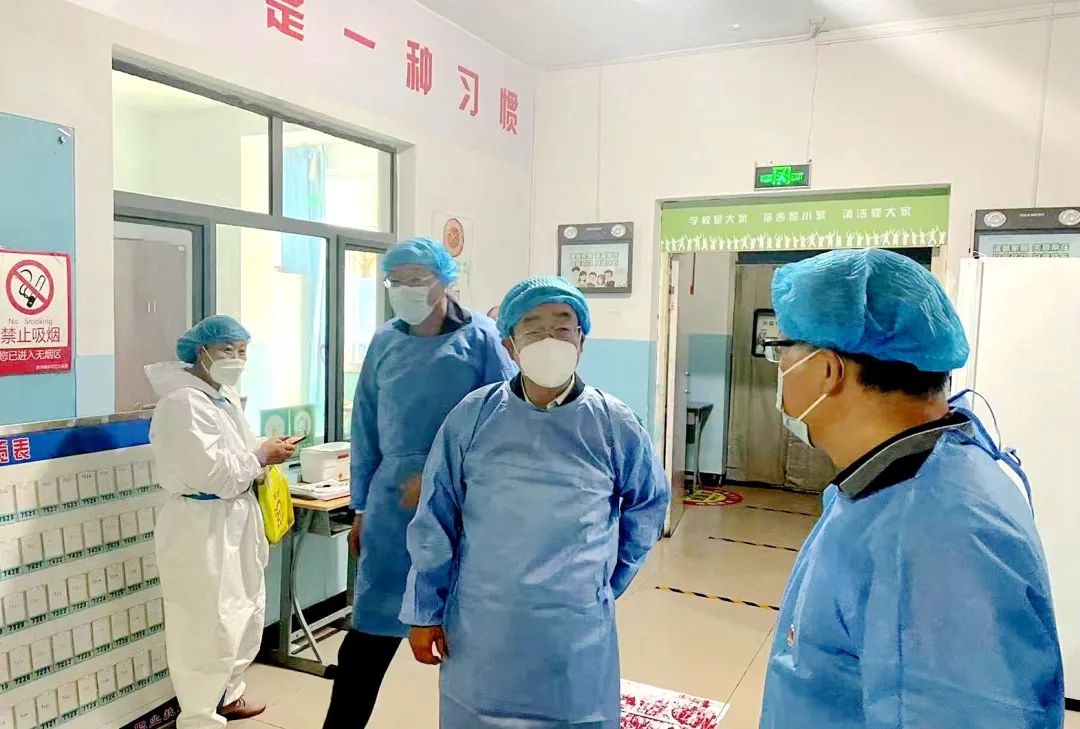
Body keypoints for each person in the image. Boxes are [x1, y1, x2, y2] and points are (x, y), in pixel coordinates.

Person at [759, 249, 1064, 729]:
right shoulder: (896, 482)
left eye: (783, 350)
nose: (779, 369)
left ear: (827, 370)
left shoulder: (939, 537)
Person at [401, 276, 670, 729]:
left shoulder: (613, 423)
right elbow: (436, 517)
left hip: (574, 630)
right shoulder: (474, 416)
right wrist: (424, 610)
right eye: (534, 328)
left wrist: (604, 582)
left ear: (581, 340)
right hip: (484, 627)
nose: (551, 340)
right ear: (510, 344)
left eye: (563, 327)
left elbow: (647, 504)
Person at [323, 237, 516, 729]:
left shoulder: (482, 338)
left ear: (445, 280)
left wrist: (437, 480)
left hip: (464, 507)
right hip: (391, 510)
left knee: (467, 638)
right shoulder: (385, 341)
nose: (405, 289)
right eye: (396, 280)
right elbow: (365, 426)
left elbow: (503, 425)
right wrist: (361, 509)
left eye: (417, 279)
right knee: (367, 639)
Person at [146, 315, 296, 729]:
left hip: (233, 517)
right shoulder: (182, 403)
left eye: (242, 351)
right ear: (202, 351)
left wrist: (264, 451)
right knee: (205, 624)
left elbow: (237, 455)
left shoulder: (221, 396)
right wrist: (261, 456)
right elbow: (214, 473)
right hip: (201, 525)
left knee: (240, 612)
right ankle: (199, 717)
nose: (236, 359)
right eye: (226, 350)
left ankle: (228, 697)